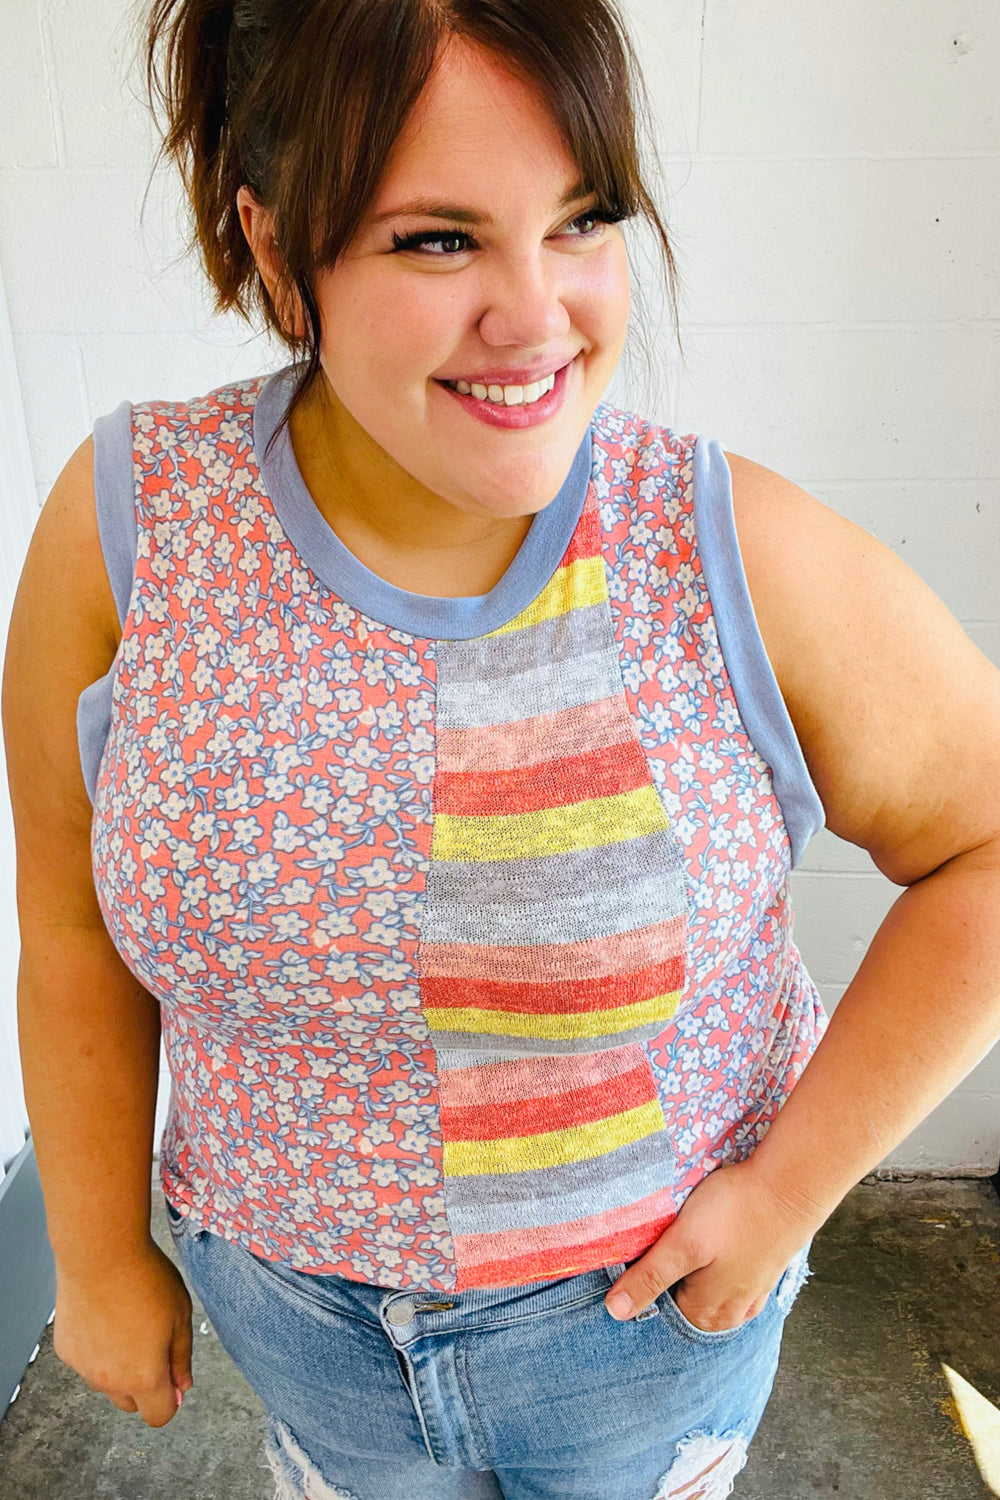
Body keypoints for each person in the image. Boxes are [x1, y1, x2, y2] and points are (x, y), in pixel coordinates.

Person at [5, 0, 1000, 1496]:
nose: (538, 318)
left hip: (639, 1327)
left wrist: (786, 1200)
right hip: (288, 1320)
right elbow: (72, 913)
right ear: (276, 250)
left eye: (581, 220)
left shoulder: (728, 552)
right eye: (437, 239)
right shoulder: (130, 519)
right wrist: (93, 1251)